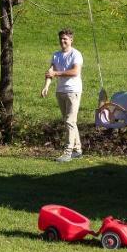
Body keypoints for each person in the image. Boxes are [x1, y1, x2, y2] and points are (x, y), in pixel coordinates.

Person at [42, 28, 83, 161]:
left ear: (71, 40)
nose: (62, 41)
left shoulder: (76, 54)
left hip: (73, 91)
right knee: (70, 122)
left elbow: (75, 72)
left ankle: (67, 153)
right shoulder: (56, 55)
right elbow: (50, 72)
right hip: (60, 91)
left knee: (70, 121)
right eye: (61, 38)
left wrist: (57, 74)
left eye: (65, 38)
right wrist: (46, 87)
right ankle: (77, 150)